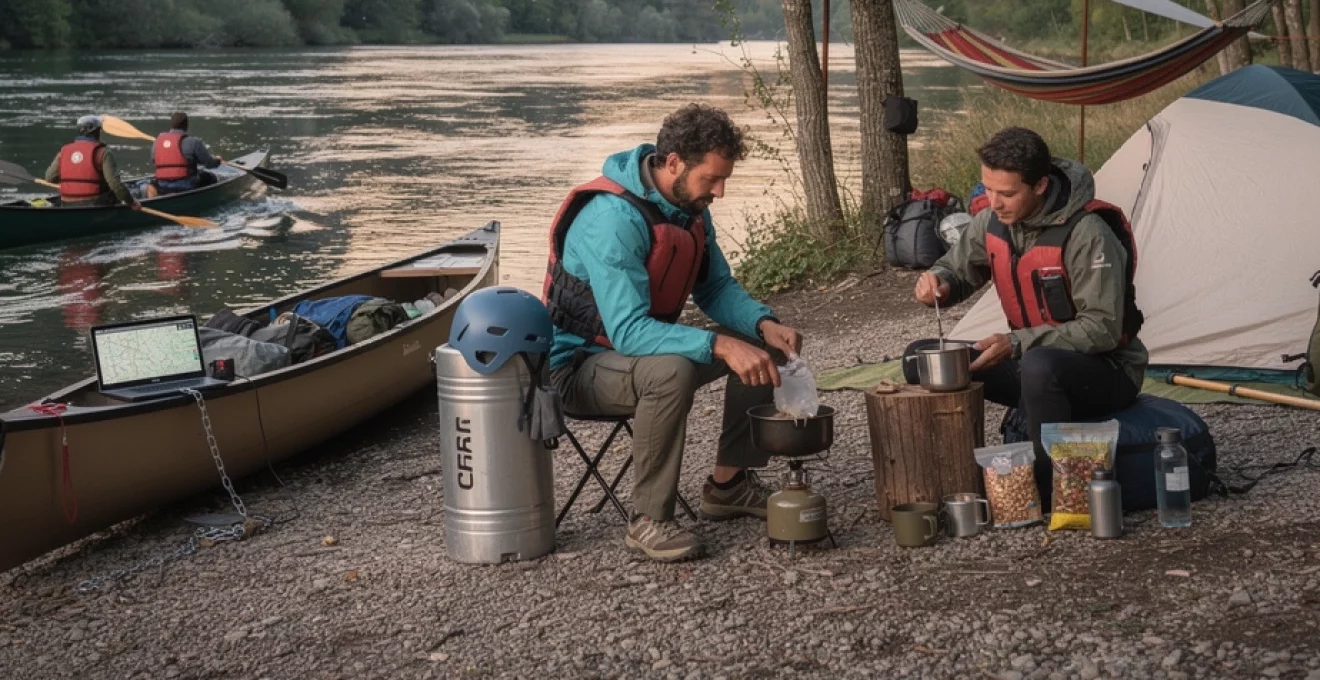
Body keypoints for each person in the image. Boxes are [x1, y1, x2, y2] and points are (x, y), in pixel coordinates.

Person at [544, 103, 805, 562]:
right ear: (673, 164)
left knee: (761, 344)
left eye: (724, 179)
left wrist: (764, 323)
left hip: (640, 353)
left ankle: (729, 484)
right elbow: (627, 331)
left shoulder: (689, 206)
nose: (720, 192)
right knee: (672, 372)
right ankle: (648, 519)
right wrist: (719, 344)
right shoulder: (614, 220)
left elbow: (717, 286)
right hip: (579, 368)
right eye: (712, 179)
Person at [913, 126, 1147, 504]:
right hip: (1031, 362)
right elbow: (955, 271)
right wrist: (937, 283)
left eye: (1007, 193)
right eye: (987, 189)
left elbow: (1103, 328)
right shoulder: (991, 221)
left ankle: (1045, 491)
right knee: (918, 358)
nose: (994, 202)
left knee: (1040, 366)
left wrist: (1017, 342)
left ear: (1039, 186)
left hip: (1106, 372)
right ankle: (954, 483)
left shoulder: (1087, 233)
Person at [45, 115, 140, 209]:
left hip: (66, 202)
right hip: (95, 202)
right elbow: (115, 184)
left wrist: (72, 183)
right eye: (99, 130)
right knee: (118, 193)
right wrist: (131, 202)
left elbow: (49, 178)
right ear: (96, 132)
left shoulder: (64, 151)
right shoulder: (103, 152)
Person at [153, 112, 223, 195]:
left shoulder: (158, 142)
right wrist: (218, 160)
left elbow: (153, 161)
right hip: (186, 184)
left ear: (171, 125)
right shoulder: (194, 142)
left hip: (162, 184)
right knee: (210, 177)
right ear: (187, 125)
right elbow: (209, 164)